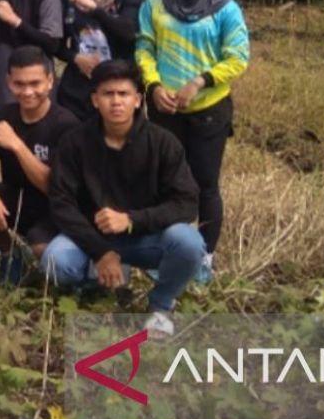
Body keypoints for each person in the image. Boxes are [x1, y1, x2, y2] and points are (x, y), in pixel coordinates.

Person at [41, 59, 203, 338]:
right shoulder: (74, 142)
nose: (116, 102)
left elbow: (187, 202)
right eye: (108, 94)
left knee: (190, 243)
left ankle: (161, 306)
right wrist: (100, 252)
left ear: (138, 100)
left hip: (146, 237)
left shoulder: (163, 143)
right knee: (55, 261)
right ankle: (97, 283)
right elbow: (61, 203)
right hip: (92, 238)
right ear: (95, 100)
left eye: (124, 94)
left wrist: (131, 220)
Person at [136, 0, 249, 284]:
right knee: (163, 182)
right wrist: (153, 86)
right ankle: (162, 253)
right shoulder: (155, 2)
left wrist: (200, 81)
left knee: (204, 185)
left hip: (208, 112)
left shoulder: (225, 9)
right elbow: (143, 47)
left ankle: (203, 257)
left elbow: (238, 57)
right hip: (163, 110)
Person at [0, 0, 143, 120]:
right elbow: (55, 44)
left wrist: (94, 9)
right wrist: (76, 58)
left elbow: (129, 33)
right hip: (76, 92)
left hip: (116, 89)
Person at [0, 46, 80, 282]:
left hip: (57, 207)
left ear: (50, 81)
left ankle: (63, 277)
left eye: (35, 83)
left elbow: (55, 189)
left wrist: (17, 146)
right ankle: (11, 254)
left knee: (43, 250)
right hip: (18, 199)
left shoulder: (66, 125)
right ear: (9, 83)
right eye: (19, 84)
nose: (28, 91)